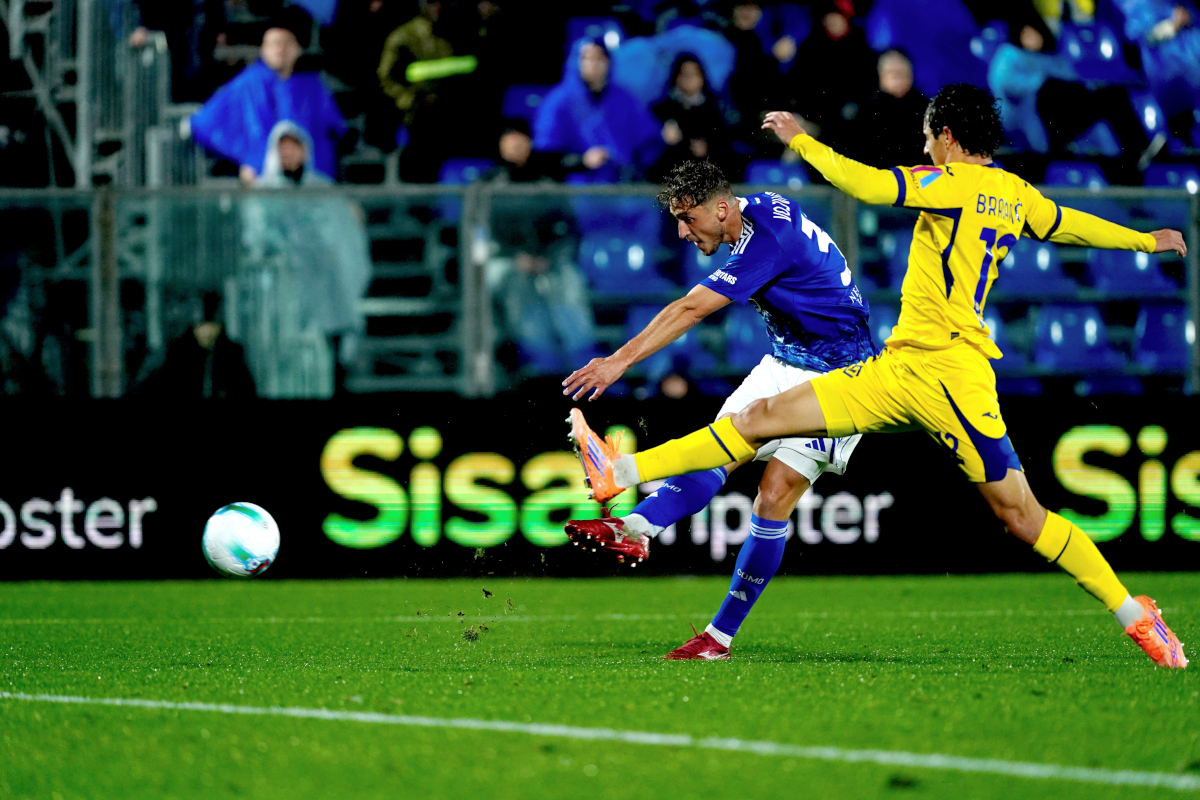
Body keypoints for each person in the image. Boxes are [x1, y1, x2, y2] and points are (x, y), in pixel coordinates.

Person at [564, 84, 1189, 670]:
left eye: (927, 137)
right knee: (756, 421)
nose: (925, 148)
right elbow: (1069, 223)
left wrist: (802, 142)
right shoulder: (1016, 193)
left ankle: (1135, 615)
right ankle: (620, 473)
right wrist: (1143, 241)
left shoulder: (950, 182)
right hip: (895, 369)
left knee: (1021, 516)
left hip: (949, 377)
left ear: (947, 136)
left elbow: (865, 184)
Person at [561, 159, 875, 659]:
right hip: (784, 360)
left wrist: (617, 361)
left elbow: (690, 309)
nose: (683, 233)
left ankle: (718, 637)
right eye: (677, 221)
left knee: (772, 496)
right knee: (716, 450)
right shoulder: (757, 212)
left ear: (722, 208)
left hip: (839, 376)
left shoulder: (766, 242)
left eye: (689, 219)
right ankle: (636, 528)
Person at [240, 121, 372, 395]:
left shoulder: (324, 189)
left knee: (330, 362)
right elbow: (257, 237)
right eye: (283, 148)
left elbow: (342, 238)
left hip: (326, 290)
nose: (288, 153)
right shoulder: (265, 193)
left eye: (294, 147)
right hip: (284, 293)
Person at [190, 16, 346, 183]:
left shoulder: (313, 86)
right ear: (263, 49)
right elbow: (205, 123)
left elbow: (336, 129)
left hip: (310, 179)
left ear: (298, 49)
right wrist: (245, 160)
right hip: (262, 179)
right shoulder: (248, 83)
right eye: (273, 44)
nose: (280, 49)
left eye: (286, 43)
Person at [532, 38, 663, 182]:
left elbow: (648, 142)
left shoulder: (625, 99)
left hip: (622, 185)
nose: (594, 64)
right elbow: (546, 154)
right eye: (588, 58)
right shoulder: (557, 101)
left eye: (600, 58)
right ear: (576, 62)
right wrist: (581, 160)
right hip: (573, 187)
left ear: (609, 62)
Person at [131, 293, 256, 399]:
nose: (206, 329)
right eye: (201, 322)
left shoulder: (233, 354)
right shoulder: (175, 352)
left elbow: (246, 390)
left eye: (212, 321)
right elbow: (145, 385)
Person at [651, 55, 738, 182]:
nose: (689, 80)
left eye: (694, 74)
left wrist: (708, 147)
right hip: (672, 176)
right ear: (676, 77)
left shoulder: (716, 108)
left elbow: (726, 141)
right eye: (684, 75)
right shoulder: (661, 109)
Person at [851, 50, 928, 169]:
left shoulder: (925, 108)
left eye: (902, 73)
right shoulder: (865, 111)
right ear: (881, 75)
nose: (898, 79)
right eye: (892, 73)